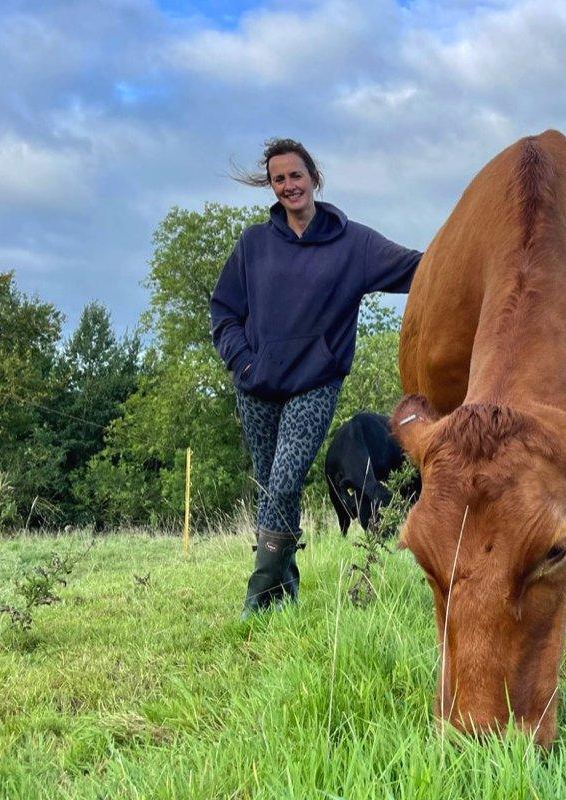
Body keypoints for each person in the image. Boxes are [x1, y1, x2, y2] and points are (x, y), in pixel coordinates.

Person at [210, 138, 423, 617]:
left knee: (285, 483)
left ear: (314, 178)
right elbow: (223, 310)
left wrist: (473, 251)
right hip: (257, 387)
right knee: (270, 488)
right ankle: (284, 590)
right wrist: (242, 362)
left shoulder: (355, 244)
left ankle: (258, 596)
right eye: (279, 179)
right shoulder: (254, 245)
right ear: (272, 187)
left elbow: (418, 268)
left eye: (296, 175)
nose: (289, 185)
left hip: (314, 383)